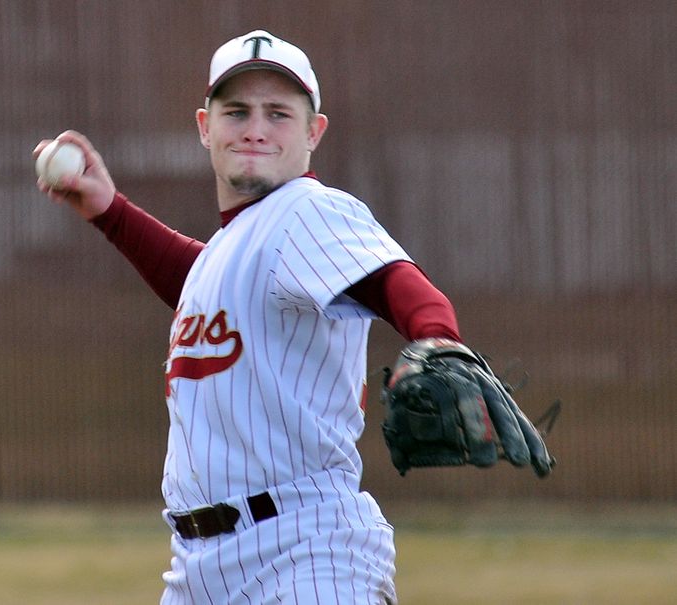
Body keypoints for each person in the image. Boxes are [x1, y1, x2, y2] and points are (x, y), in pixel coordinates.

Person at [35, 29, 462, 605]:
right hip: (198, 566)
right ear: (204, 127)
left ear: (315, 132)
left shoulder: (309, 210)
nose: (255, 128)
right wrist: (110, 211)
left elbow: (398, 284)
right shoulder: (242, 245)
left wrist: (436, 340)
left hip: (303, 552)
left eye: (278, 113)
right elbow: (202, 277)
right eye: (236, 111)